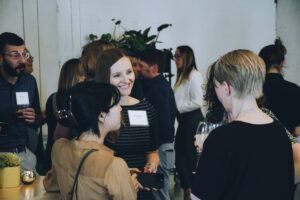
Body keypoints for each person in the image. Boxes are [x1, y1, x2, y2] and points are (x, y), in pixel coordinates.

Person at [192, 49, 294, 200]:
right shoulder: (279, 132)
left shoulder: (221, 138)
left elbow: (199, 197)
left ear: (226, 88)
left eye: (216, 86)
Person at [43, 81, 138, 199]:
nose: (120, 109)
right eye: (116, 104)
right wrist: (130, 188)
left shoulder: (59, 148)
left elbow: (52, 188)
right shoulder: (114, 165)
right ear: (101, 116)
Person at [95, 48, 159, 200]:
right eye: (117, 75)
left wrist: (152, 165)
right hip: (111, 191)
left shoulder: (147, 108)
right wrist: (122, 175)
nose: (126, 79)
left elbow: (153, 151)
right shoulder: (99, 113)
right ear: (105, 78)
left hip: (143, 191)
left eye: (129, 72)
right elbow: (91, 157)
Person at [0, 32, 41, 172]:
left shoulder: (29, 81)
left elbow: (38, 120)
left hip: (24, 156)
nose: (22, 60)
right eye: (15, 55)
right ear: (0, 58)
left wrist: (34, 118)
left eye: (24, 54)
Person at [139, 48, 177, 200]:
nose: (138, 69)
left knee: (159, 195)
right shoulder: (159, 86)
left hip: (160, 149)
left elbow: (163, 124)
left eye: (141, 66)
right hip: (161, 148)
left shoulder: (158, 90)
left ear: (154, 68)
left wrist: (152, 150)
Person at [173, 45, 204, 199]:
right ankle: (188, 190)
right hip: (185, 121)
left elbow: (198, 101)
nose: (175, 59)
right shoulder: (182, 76)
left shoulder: (194, 75)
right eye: (174, 56)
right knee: (181, 158)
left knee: (188, 158)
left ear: (187, 57)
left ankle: (190, 191)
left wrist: (178, 107)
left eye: (178, 56)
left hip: (192, 120)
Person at [44, 58, 85, 171]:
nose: (85, 78)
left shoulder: (53, 98)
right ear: (74, 76)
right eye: (82, 75)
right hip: (72, 157)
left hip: (53, 153)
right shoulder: (78, 99)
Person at [259, 38, 300, 136]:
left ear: (261, 63)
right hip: (287, 145)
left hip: (258, 145)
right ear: (282, 63)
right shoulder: (294, 89)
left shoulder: (254, 89)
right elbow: (298, 130)